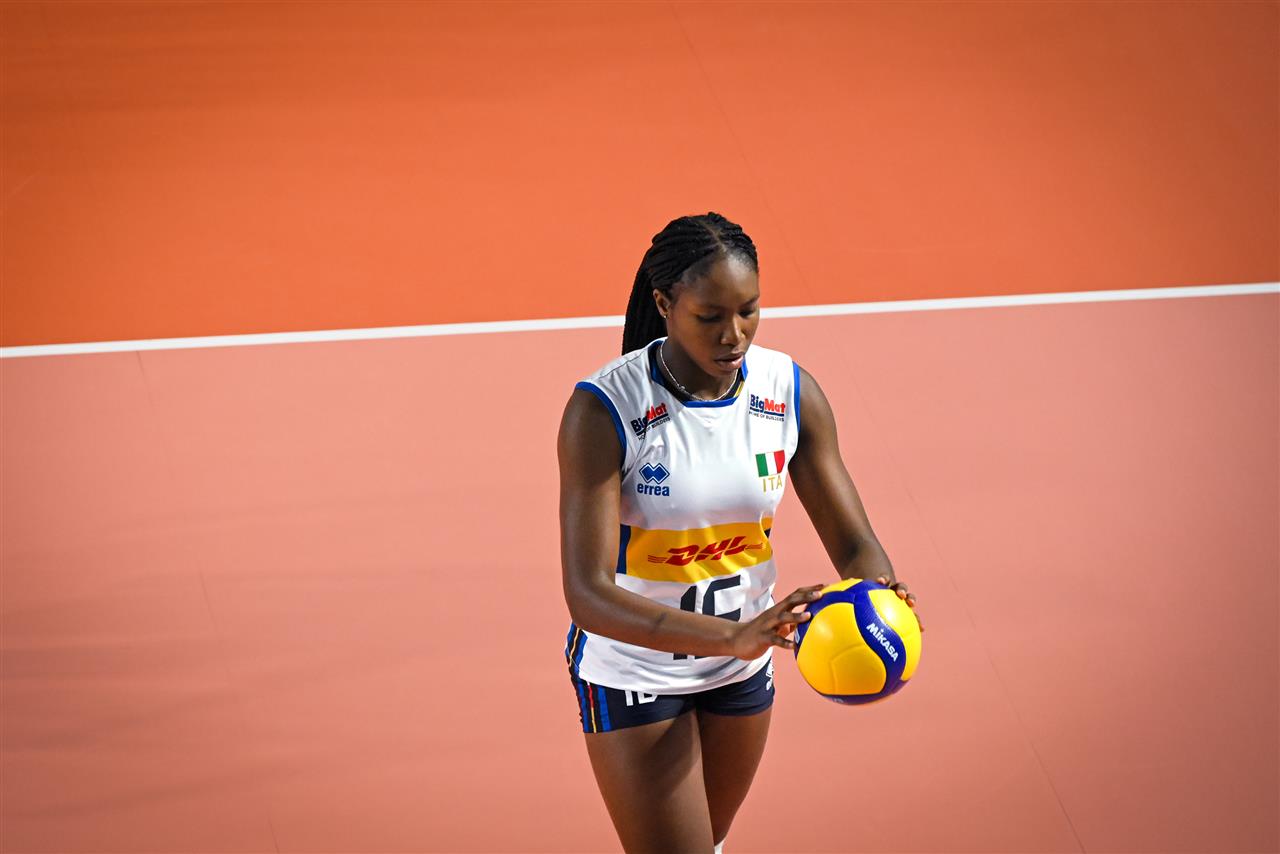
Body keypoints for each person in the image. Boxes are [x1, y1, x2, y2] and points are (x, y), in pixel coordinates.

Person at [558, 212, 922, 853]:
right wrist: (735, 635)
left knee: (711, 842)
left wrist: (877, 598)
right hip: (637, 668)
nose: (735, 335)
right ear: (665, 305)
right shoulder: (605, 409)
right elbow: (588, 595)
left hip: (742, 664)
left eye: (749, 311)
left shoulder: (788, 392)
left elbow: (854, 542)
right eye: (711, 317)